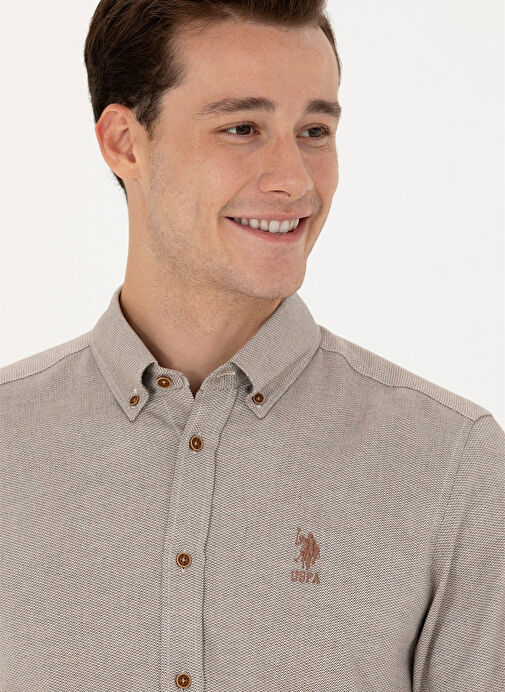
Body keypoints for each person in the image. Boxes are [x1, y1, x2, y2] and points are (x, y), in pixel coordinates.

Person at [1, 1, 503, 690]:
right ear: (124, 142)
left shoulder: (452, 464)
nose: (294, 180)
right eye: (242, 128)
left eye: (314, 131)